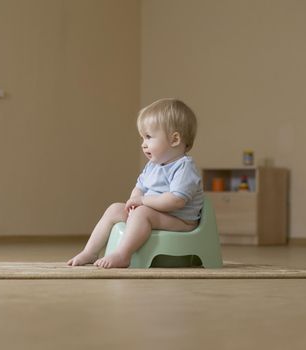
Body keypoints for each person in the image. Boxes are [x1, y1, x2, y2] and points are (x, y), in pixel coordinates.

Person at [67, 98, 204, 268]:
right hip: (153, 214)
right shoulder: (153, 166)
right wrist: (134, 201)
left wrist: (142, 202)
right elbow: (139, 187)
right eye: (142, 138)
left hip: (181, 221)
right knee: (114, 209)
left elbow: (176, 200)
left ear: (174, 139)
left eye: (148, 137)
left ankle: (123, 255)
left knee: (142, 213)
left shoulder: (184, 167)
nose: (143, 144)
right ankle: (90, 252)